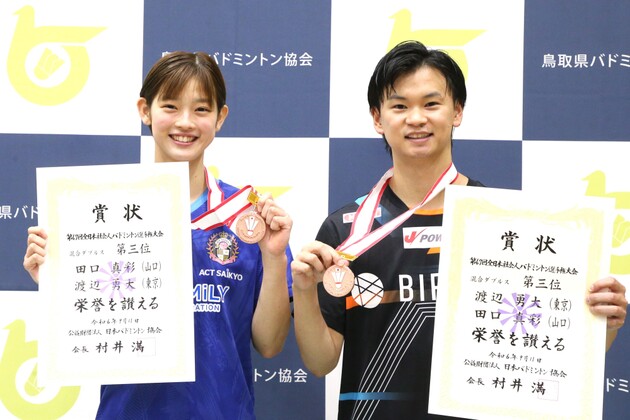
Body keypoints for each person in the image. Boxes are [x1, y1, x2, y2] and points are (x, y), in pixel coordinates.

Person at [290, 40, 627, 419]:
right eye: (399, 106)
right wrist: (303, 290)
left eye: (431, 104)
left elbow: (551, 355)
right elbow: (320, 362)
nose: (416, 118)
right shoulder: (347, 230)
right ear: (377, 118)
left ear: (457, 111)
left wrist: (603, 321)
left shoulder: (504, 225)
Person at [23, 51, 293, 419]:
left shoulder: (247, 219)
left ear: (220, 117)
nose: (185, 122)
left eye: (201, 109)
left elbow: (270, 344)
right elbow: (89, 329)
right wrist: (59, 282)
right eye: (170, 106)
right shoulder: (101, 215)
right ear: (145, 110)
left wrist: (274, 258)